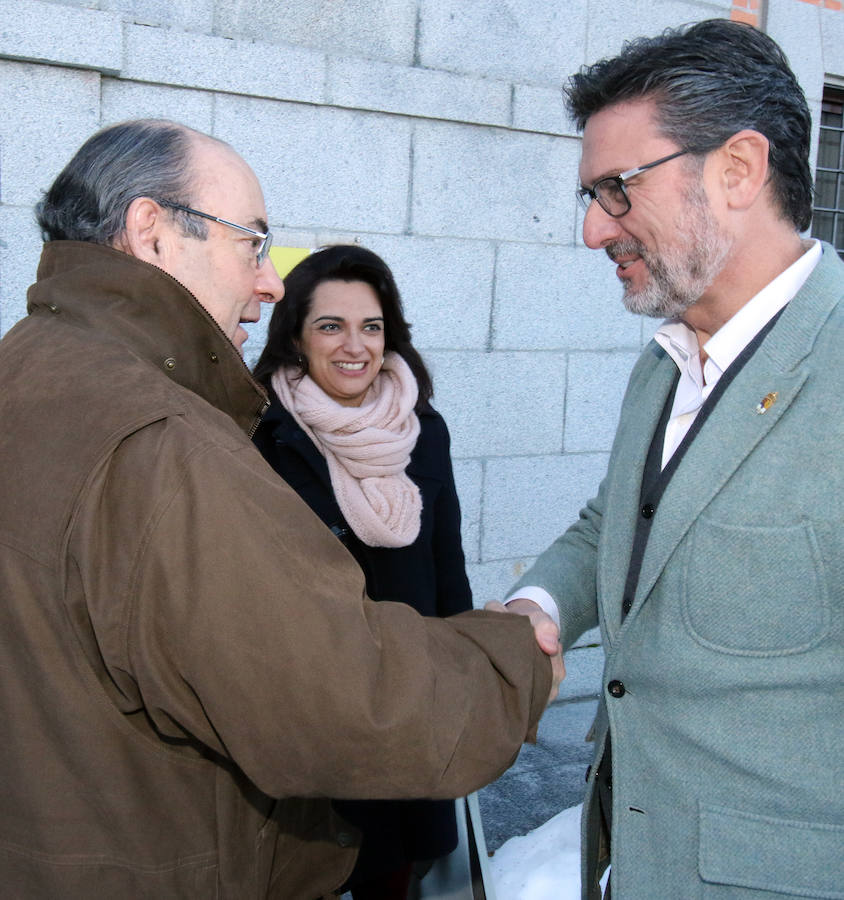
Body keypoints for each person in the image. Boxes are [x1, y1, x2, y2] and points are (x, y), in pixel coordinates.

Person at [0, 119, 564, 899]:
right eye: (252, 243)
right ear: (151, 231)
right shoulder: (165, 441)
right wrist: (510, 663)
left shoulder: (24, 367)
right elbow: (339, 697)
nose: (269, 281)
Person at [505, 19, 844, 899]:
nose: (590, 230)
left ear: (737, 169)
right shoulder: (667, 359)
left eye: (616, 189)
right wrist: (534, 609)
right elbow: (617, 520)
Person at [252, 244, 473, 898]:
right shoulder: (259, 437)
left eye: (371, 327)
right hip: (305, 721)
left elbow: (447, 570)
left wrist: (461, 688)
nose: (356, 346)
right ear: (294, 336)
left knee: (390, 878)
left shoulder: (422, 430)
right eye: (331, 326)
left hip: (404, 715)